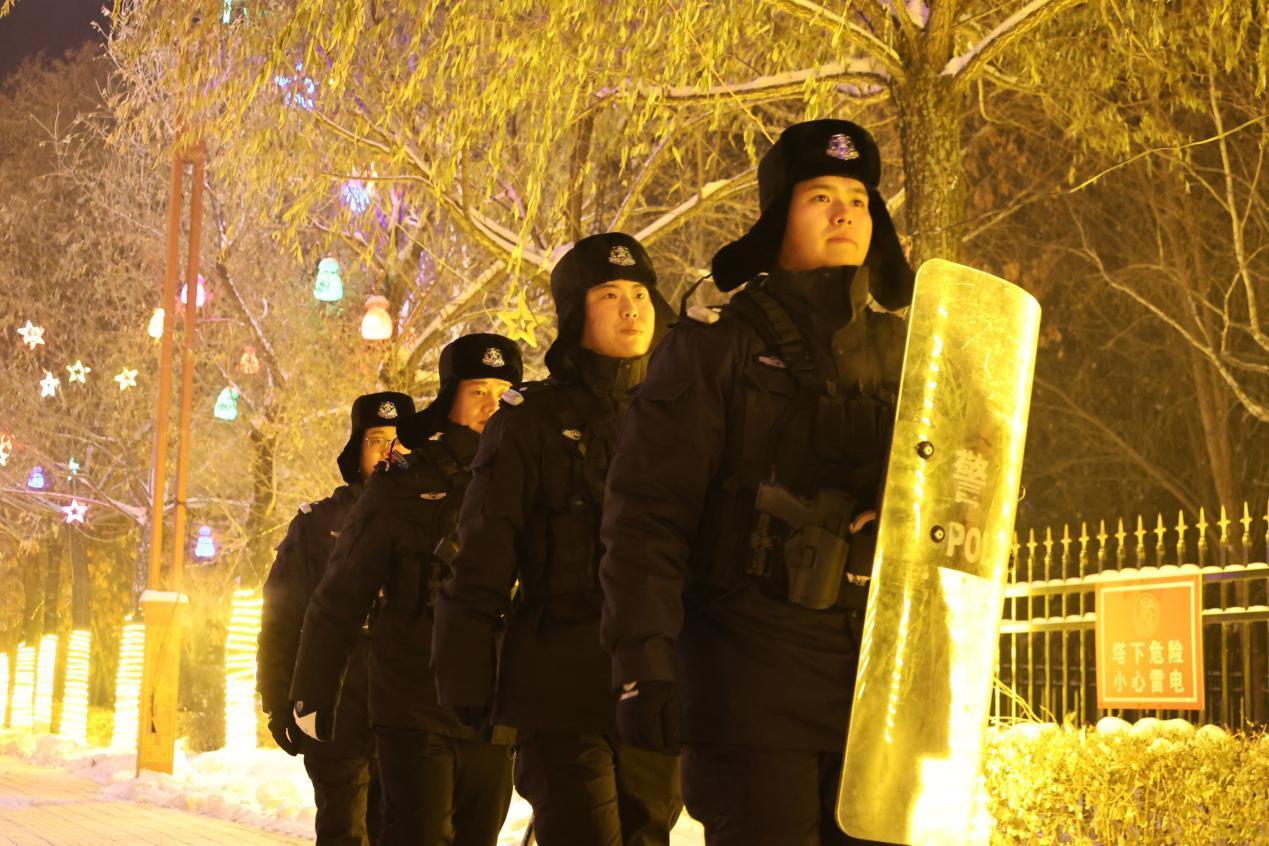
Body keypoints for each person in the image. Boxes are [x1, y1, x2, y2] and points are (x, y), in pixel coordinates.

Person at [598, 120, 915, 846]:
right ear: (777, 218)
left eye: (859, 199)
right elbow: (646, 515)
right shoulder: (715, 348)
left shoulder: (912, 351)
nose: (844, 213)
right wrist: (643, 659)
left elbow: (964, 485)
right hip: (748, 676)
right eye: (820, 197)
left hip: (880, 681)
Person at [432, 233, 682, 846]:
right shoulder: (530, 421)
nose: (631, 308)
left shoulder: (685, 415)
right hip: (559, 682)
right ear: (575, 314)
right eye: (610, 294)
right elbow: (484, 552)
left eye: (640, 293)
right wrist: (464, 668)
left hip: (657, 681)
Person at [289, 334, 523, 846]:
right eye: (478, 391)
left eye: (502, 392)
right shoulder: (403, 482)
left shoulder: (530, 480)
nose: (491, 405)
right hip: (413, 702)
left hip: (494, 713)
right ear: (449, 399)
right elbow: (341, 594)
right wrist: (312, 691)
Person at [258, 391, 415, 846]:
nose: (388, 452)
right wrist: (278, 699)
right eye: (377, 441)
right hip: (338, 696)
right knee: (344, 827)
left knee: (403, 827)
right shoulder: (317, 524)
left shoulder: (434, 514)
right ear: (356, 450)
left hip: (409, 698)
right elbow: (282, 617)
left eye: (399, 442)